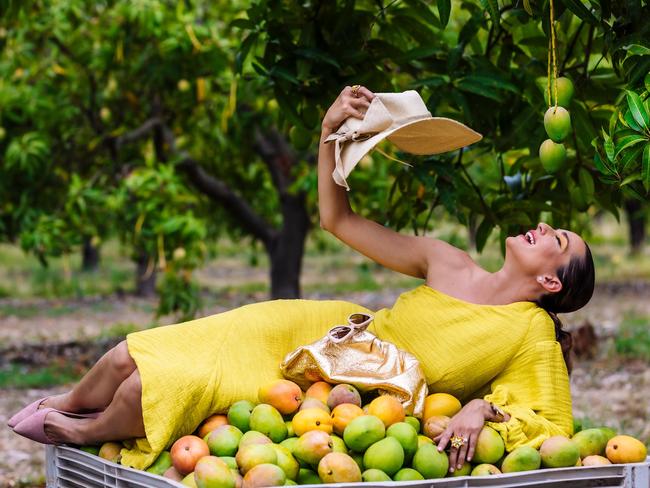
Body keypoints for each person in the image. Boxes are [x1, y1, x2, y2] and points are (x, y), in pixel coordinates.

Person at [8, 86, 595, 474]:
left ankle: (84, 432)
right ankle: (62, 403)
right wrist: (328, 134)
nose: (544, 226)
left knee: (151, 390)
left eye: (558, 239)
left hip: (349, 386)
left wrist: (482, 412)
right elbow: (335, 219)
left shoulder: (530, 333)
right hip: (327, 331)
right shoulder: (445, 260)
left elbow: (550, 420)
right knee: (127, 357)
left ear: (549, 281)